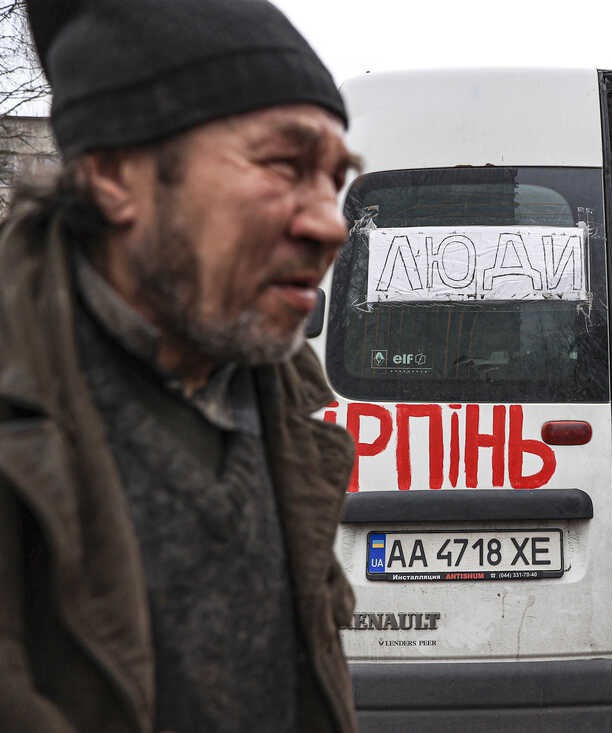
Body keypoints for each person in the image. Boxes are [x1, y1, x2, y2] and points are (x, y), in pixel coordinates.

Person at [0, 2, 361, 732]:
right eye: (284, 165)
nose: (332, 223)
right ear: (111, 175)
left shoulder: (287, 410)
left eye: (335, 177)